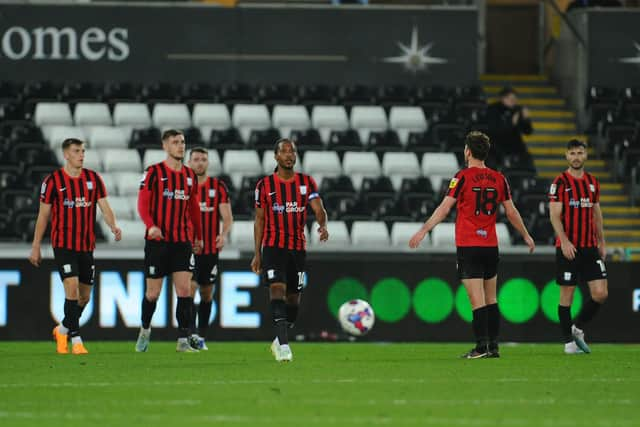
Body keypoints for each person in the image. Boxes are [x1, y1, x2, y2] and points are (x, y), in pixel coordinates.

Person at [409, 131, 535, 359]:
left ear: (467, 151)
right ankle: (494, 347)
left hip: (469, 245)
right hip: (490, 245)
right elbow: (511, 211)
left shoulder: (462, 177)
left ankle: (480, 347)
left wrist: (424, 229)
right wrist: (525, 234)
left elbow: (445, 208)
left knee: (476, 300)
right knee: (491, 298)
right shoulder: (499, 178)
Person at [28, 138, 122, 355]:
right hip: (63, 245)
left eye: (83, 151)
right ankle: (76, 339)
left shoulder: (93, 179)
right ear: (66, 155)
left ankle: (62, 329)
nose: (81, 154)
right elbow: (43, 215)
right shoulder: (52, 182)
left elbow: (105, 207)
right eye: (77, 151)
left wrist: (113, 226)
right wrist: (36, 245)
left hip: (86, 246)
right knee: (71, 288)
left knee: (84, 297)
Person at [251, 138, 329, 362]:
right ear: (276, 156)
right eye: (283, 151)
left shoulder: (306, 182)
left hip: (297, 250)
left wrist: (322, 225)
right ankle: (284, 346)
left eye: (291, 151)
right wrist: (257, 253)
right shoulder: (264, 186)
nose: (288, 155)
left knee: (293, 300)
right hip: (274, 248)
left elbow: (318, 208)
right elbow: (259, 220)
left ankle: (279, 339)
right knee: (276, 290)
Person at [135, 129, 203, 353]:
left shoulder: (190, 175)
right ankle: (145, 329)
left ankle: (183, 340)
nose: (181, 146)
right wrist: (151, 225)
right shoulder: (153, 172)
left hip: (182, 241)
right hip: (158, 242)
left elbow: (193, 208)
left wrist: (199, 236)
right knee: (152, 293)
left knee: (184, 291)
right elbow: (143, 204)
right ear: (165, 146)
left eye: (183, 142)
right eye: (175, 142)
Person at [548, 139, 608, 355]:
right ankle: (568, 342)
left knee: (600, 293)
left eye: (579, 153)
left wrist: (602, 241)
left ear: (585, 155)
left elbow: (596, 214)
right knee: (567, 295)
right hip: (568, 248)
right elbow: (554, 215)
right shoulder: (560, 182)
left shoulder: (592, 182)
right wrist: (564, 241)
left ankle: (577, 328)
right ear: (566, 156)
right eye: (572, 153)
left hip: (590, 247)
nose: (576, 157)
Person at [186, 147, 233, 350]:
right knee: (189, 290)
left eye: (203, 159)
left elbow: (228, 217)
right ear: (189, 162)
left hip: (210, 252)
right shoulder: (183, 186)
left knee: (206, 294)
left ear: (208, 163)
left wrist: (223, 235)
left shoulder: (218, 187)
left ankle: (201, 336)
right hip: (188, 250)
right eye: (196, 159)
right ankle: (190, 335)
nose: (200, 163)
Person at [487, 87, 534, 169]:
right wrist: (511, 123)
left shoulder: (518, 110)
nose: (513, 101)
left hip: (516, 146)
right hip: (497, 146)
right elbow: (495, 130)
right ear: (503, 98)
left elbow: (528, 132)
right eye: (511, 99)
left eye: (515, 99)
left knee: (526, 158)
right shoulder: (493, 109)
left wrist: (526, 119)